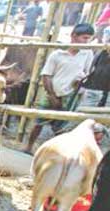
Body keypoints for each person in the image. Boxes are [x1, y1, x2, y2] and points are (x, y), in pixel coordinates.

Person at [26, 24, 95, 154]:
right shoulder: (57, 54)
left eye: (89, 39)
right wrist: (52, 95)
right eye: (84, 38)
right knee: (39, 121)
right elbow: (46, 76)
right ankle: (29, 147)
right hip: (52, 92)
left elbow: (87, 73)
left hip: (70, 94)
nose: (86, 42)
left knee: (62, 127)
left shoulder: (87, 54)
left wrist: (80, 82)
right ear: (74, 36)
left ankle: (53, 152)